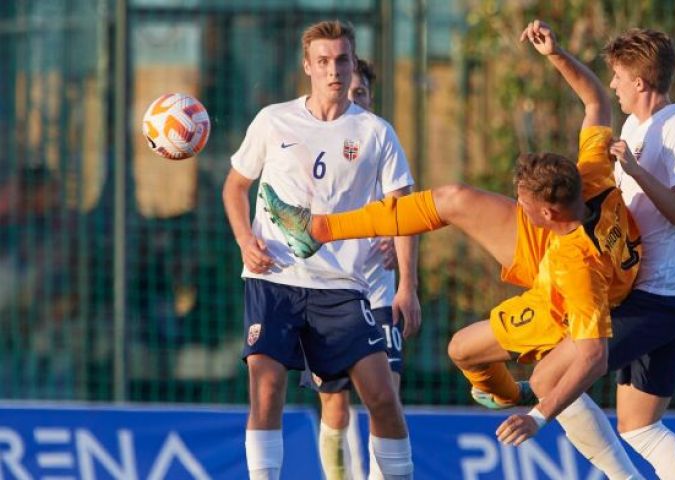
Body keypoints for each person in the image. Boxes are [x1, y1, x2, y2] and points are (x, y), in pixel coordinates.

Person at [263, 19, 646, 480]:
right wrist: (555, 54)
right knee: (453, 198)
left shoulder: (575, 271)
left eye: (522, 202)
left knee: (467, 351)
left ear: (544, 210)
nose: (514, 206)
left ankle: (593, 452)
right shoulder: (595, 176)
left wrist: (538, 415)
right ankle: (321, 229)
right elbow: (596, 101)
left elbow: (593, 357)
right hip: (562, 239)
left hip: (562, 286)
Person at [221, 20, 419, 480]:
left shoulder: (375, 132)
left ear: (353, 64)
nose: (334, 70)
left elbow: (405, 209)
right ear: (307, 66)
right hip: (275, 279)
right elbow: (235, 186)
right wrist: (245, 241)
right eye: (324, 61)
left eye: (342, 60)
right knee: (267, 388)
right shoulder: (274, 120)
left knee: (382, 397)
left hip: (343, 288)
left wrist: (408, 283)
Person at [600, 28, 675, 479]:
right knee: (639, 428)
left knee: (563, 374)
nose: (613, 86)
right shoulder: (633, 125)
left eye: (619, 77)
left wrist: (636, 171)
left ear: (640, 82)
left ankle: (536, 402)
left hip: (663, 298)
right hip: (645, 291)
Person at [298, 58, 410, 480]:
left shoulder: (380, 142)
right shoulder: (313, 150)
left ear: (370, 98)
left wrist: (403, 269)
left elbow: (409, 213)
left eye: (360, 93)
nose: (350, 99)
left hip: (377, 294)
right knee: (335, 403)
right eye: (345, 92)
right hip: (326, 293)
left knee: (386, 398)